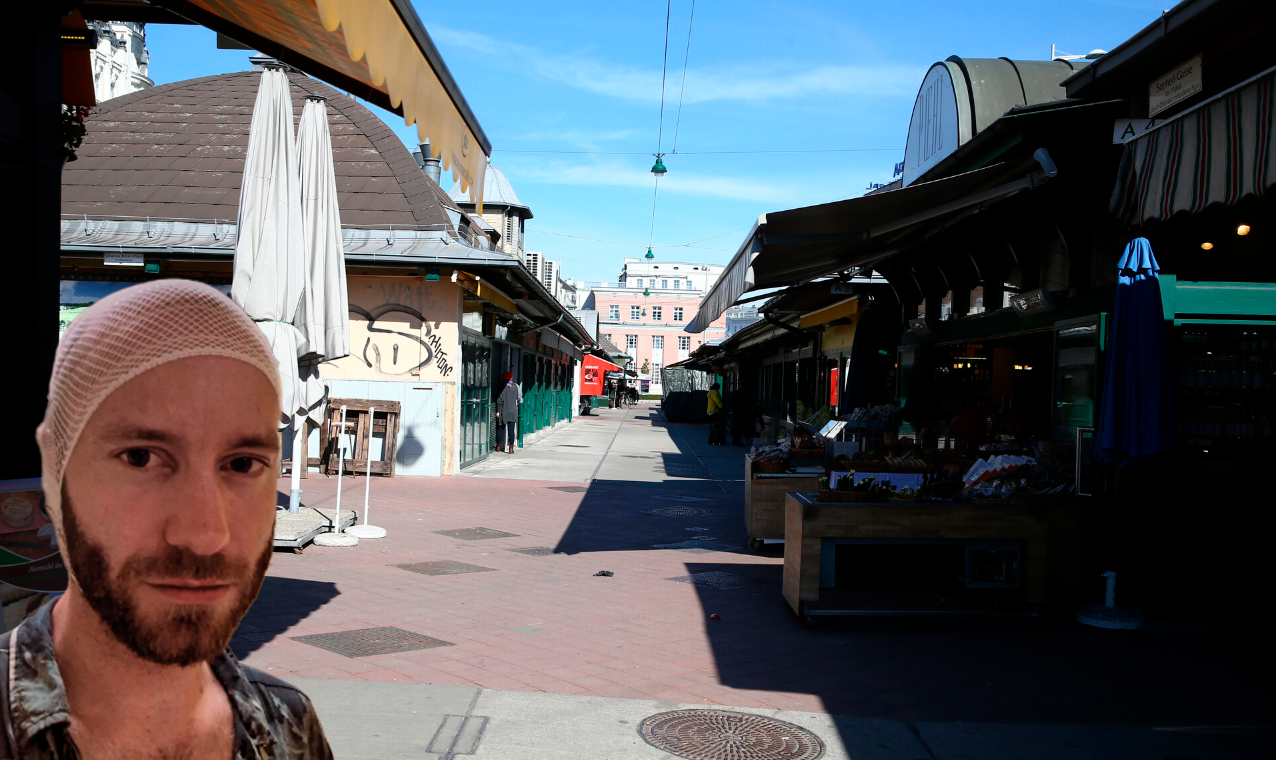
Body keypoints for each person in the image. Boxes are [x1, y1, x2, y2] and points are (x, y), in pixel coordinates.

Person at [4, 280, 332, 758]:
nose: (205, 535)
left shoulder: (290, 725)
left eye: (243, 464)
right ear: (55, 471)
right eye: (140, 457)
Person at [496, 371, 520, 453]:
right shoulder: (516, 386)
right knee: (511, 430)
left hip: (504, 410)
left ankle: (499, 446)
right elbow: (519, 398)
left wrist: (498, 411)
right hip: (513, 411)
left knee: (501, 428)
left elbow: (499, 400)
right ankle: (511, 448)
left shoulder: (502, 387)